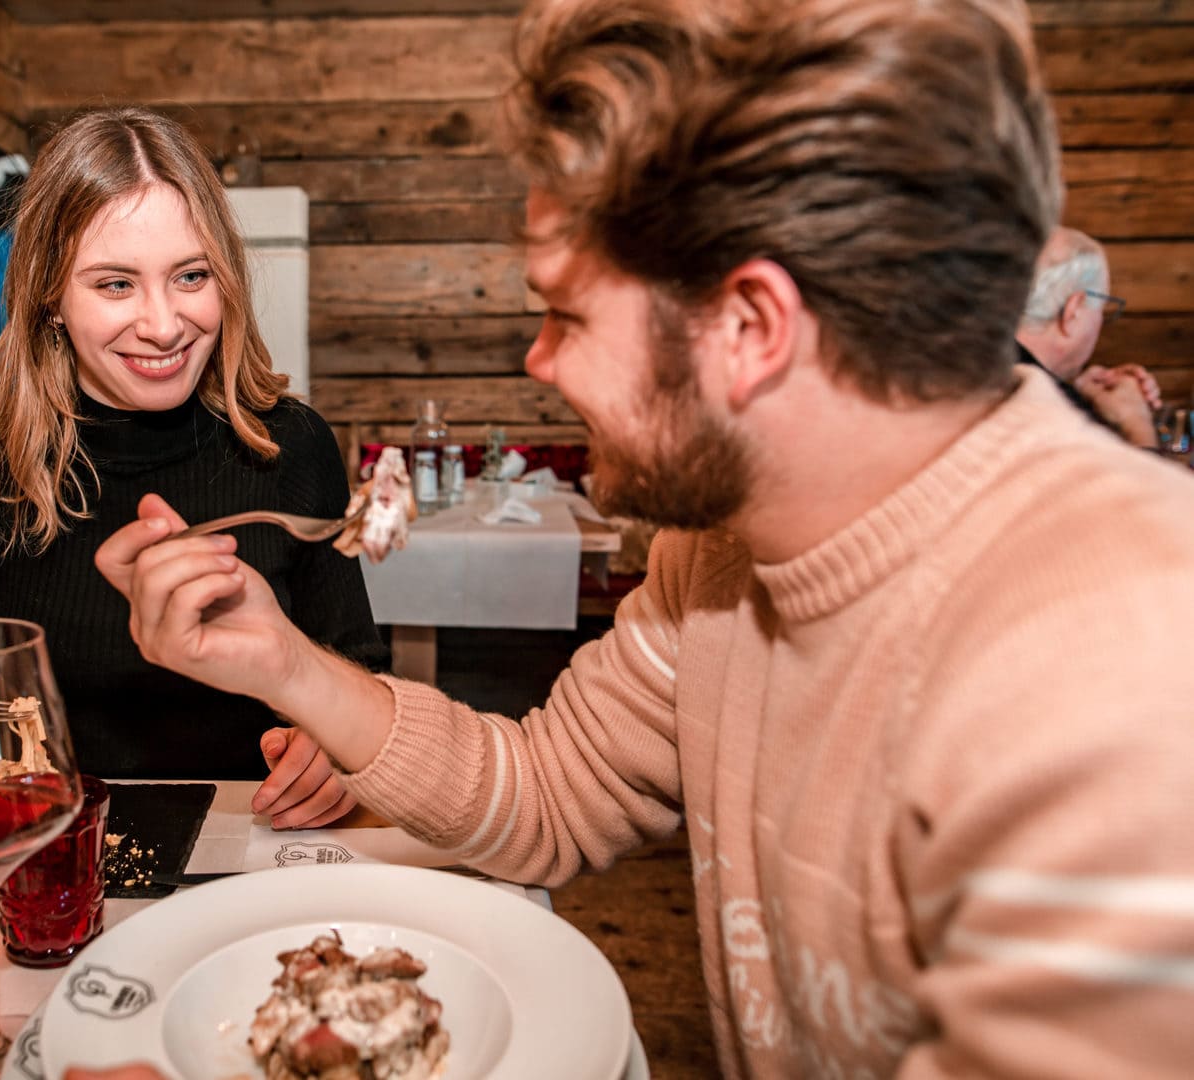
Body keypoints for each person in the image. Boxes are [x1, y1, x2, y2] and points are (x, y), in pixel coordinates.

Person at [97, 0, 1194, 1075]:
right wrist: (280, 659)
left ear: (751, 328)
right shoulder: (720, 553)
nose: (540, 360)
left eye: (567, 314)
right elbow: (546, 794)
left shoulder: (1126, 671)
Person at [0, 107, 387, 822]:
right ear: (49, 295)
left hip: (257, 836)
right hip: (54, 845)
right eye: (116, 285)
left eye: (191, 276)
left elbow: (360, 668)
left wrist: (332, 751)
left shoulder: (291, 445)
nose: (165, 324)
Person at [1016, 225, 1161, 448]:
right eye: (1101, 308)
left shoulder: (975, 368)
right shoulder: (1050, 415)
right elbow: (1147, 485)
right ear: (1073, 311)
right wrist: (1137, 424)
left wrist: (1078, 391)